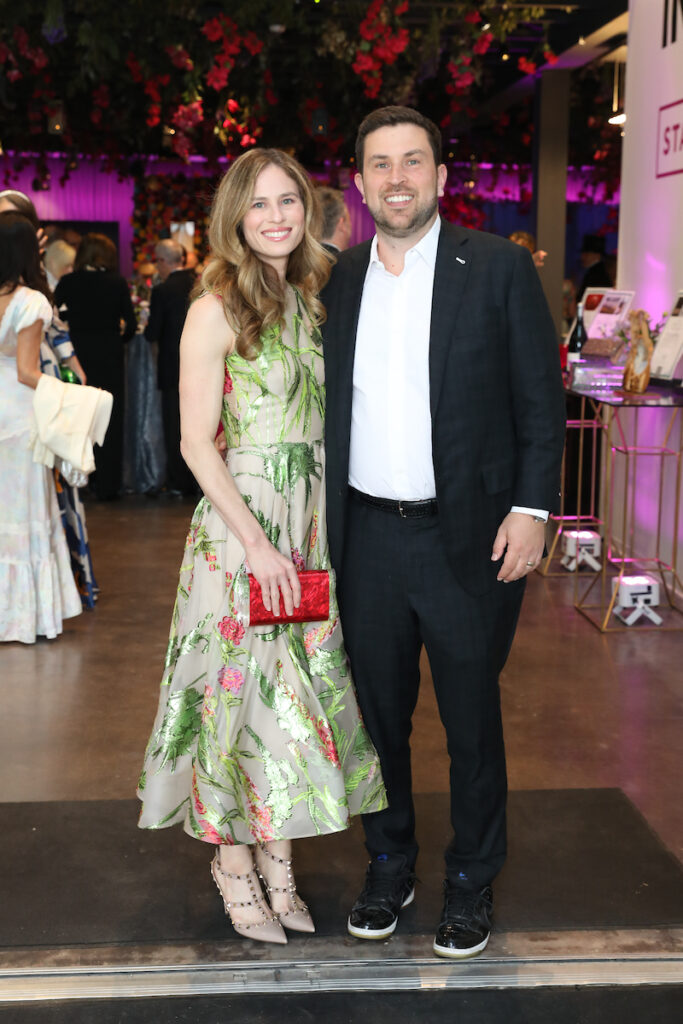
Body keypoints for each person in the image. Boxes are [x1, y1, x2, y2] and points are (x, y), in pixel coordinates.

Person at [322, 106, 565, 959]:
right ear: (358, 183)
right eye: (379, 164)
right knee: (378, 721)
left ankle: (470, 878)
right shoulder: (339, 279)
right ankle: (388, 863)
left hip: (469, 539)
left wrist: (533, 511)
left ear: (439, 176)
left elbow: (540, 399)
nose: (396, 178)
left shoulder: (494, 267)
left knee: (470, 722)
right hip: (366, 543)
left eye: (412, 161)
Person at [137, 148, 386, 946]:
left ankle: (279, 862)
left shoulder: (312, 295)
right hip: (244, 530)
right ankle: (234, 864)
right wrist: (256, 542)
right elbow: (194, 442)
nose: (277, 217)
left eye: (289, 202)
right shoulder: (215, 304)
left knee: (293, 701)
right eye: (260, 205)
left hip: (309, 525)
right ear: (234, 217)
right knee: (236, 699)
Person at [0, 191, 97, 608]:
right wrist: (72, 396)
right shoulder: (32, 300)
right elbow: (27, 371)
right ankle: (26, 612)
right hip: (22, 410)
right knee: (28, 509)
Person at [55, 234, 136, 500]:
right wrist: (116, 337)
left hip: (78, 356)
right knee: (109, 419)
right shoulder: (117, 282)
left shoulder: (68, 282)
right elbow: (131, 325)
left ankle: (77, 482)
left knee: (77, 418)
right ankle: (108, 485)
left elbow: (57, 318)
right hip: (109, 356)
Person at [145, 239, 196, 497]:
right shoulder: (198, 283)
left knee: (175, 426)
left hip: (172, 367)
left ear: (164, 261)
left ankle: (179, 481)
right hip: (201, 366)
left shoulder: (163, 291)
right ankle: (199, 479)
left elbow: (152, 333)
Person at [317, 186, 352, 255]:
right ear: (341, 224)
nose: (351, 225)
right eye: (349, 220)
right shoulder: (347, 264)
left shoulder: (303, 262)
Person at [577, 233, 612, 299]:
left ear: (597, 255)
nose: (582, 257)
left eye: (587, 254)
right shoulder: (597, 272)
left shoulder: (595, 275)